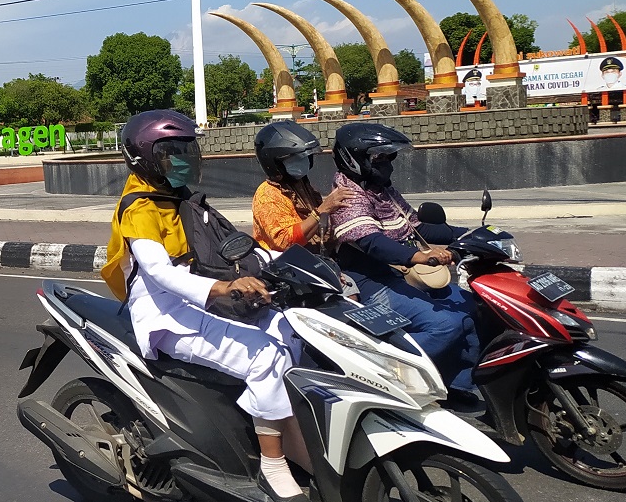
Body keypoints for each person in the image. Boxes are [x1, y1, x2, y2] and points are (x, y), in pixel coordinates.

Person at [101, 110, 310, 502]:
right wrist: (225, 287)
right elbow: (161, 273)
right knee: (264, 355)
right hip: (166, 313)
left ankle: (288, 433)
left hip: (203, 297)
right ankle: (272, 464)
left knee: (292, 332)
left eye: (186, 150)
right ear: (145, 157)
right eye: (171, 152)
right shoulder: (140, 207)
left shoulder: (181, 197)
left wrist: (291, 270)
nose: (183, 158)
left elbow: (233, 244)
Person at [327, 123, 480, 406]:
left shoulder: (381, 190)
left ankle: (455, 387)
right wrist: (417, 256)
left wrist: (470, 235)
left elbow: (417, 228)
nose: (387, 165)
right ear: (355, 158)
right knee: (445, 325)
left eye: (388, 157)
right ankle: (389, 377)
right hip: (369, 281)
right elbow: (371, 242)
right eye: (379, 158)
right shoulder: (347, 194)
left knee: (470, 310)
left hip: (399, 273)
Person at [251, 121, 351, 253]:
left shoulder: (300, 185)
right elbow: (284, 242)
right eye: (295, 159)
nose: (303, 162)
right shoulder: (267, 194)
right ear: (274, 162)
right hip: (284, 263)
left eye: (305, 157)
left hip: (314, 255)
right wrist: (322, 210)